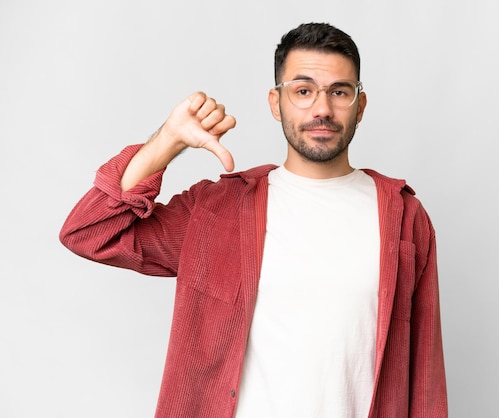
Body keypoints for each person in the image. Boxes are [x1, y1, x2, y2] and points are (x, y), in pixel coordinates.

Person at [60, 22, 447, 418]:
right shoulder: (218, 211)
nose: (322, 109)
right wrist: (167, 142)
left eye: (339, 92)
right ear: (276, 102)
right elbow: (88, 232)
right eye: (303, 91)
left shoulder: (403, 218)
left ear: (360, 106)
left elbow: (426, 382)